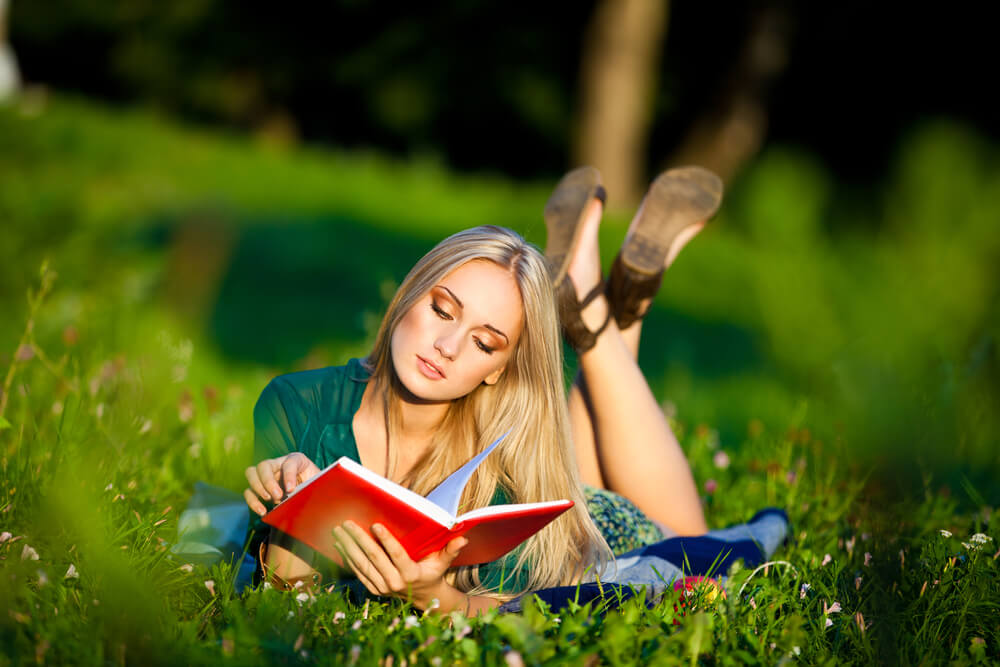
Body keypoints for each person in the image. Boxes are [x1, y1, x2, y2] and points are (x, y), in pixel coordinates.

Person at [242, 166, 723, 615]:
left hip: (596, 529)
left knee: (699, 552)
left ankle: (596, 315)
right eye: (443, 311)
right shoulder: (294, 406)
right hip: (566, 491)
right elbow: (280, 588)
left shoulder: (502, 482)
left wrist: (431, 594)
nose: (447, 347)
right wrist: (289, 505)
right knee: (582, 464)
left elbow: (520, 611)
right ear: (410, 292)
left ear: (498, 369)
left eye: (483, 342)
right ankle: (609, 306)